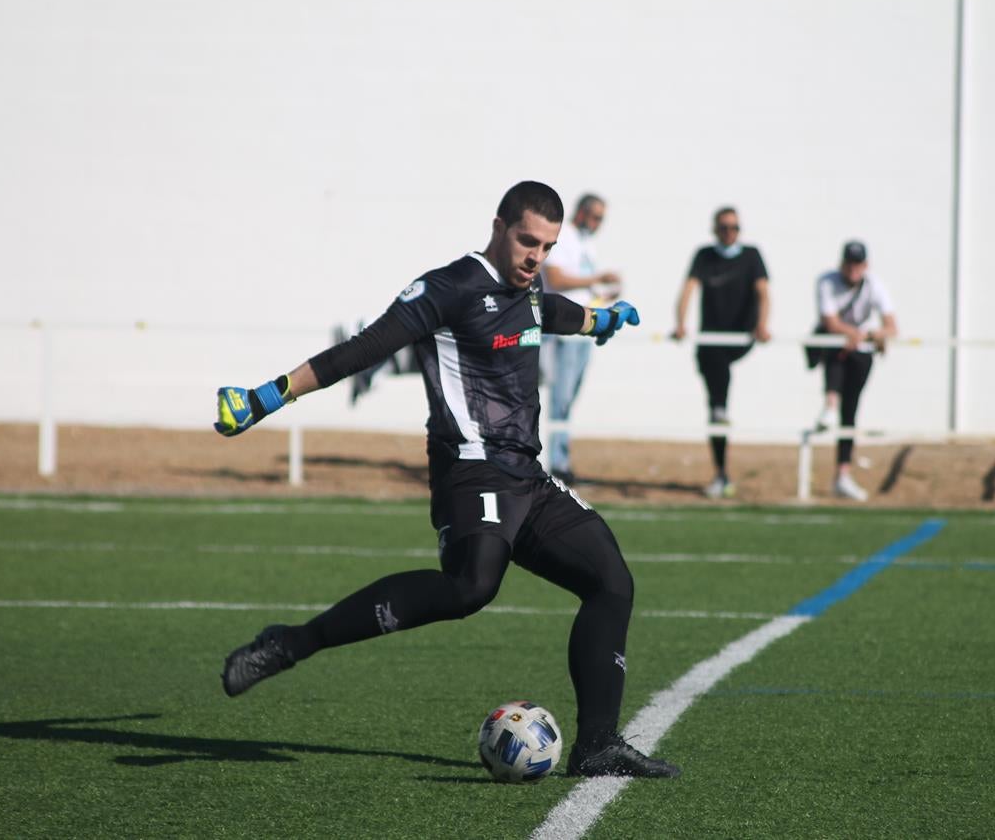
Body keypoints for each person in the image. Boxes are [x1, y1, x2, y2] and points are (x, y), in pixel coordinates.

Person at [212, 181, 679, 779]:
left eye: (548, 246)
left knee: (611, 580)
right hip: (469, 467)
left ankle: (597, 746)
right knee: (470, 588)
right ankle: (291, 643)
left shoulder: (530, 288)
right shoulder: (449, 286)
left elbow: (549, 312)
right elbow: (363, 349)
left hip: (525, 476)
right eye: (527, 241)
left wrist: (601, 319)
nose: (536, 257)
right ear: (498, 226)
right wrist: (267, 396)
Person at [672, 207, 771, 498]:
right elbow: (688, 289)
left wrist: (763, 325)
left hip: (741, 336)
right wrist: (680, 324)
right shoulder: (704, 255)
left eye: (734, 228)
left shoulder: (752, 255)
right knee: (713, 382)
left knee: (718, 383)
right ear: (715, 230)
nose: (729, 232)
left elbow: (764, 292)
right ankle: (721, 472)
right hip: (712, 342)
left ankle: (719, 409)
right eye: (724, 228)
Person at [541, 194, 622, 485]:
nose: (599, 224)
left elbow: (581, 289)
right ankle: (555, 465)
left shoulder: (586, 243)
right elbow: (557, 280)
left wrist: (601, 296)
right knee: (560, 399)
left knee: (568, 400)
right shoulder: (565, 238)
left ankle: (561, 460)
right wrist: (596, 279)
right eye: (596, 217)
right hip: (564, 331)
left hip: (583, 331)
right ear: (582, 213)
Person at [811, 240, 897, 502]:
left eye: (858, 264)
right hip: (836, 350)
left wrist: (872, 335)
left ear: (865, 265)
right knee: (837, 352)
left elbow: (892, 326)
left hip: (861, 354)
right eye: (849, 263)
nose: (853, 269)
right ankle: (830, 402)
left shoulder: (874, 285)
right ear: (841, 263)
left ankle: (843, 474)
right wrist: (859, 335)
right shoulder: (827, 282)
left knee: (851, 412)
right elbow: (830, 322)